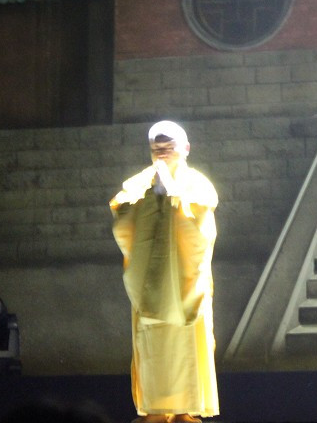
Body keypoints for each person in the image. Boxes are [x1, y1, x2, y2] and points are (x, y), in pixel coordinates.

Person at [109, 121, 219, 423]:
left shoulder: (197, 184)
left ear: (185, 148)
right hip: (152, 283)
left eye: (168, 146)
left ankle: (185, 411)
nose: (162, 151)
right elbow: (123, 221)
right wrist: (152, 198)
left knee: (188, 343)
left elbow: (200, 229)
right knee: (152, 346)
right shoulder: (137, 184)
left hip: (186, 282)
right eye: (156, 147)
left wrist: (171, 199)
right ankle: (156, 411)